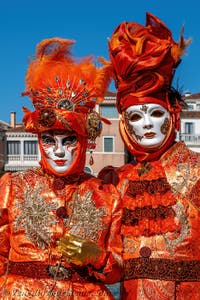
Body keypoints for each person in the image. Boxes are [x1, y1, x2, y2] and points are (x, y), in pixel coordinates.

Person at [0, 37, 123, 299]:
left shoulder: (107, 195)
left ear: (84, 141)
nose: (58, 150)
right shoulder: (12, 187)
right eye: (48, 140)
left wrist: (97, 257)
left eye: (68, 141)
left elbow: (118, 271)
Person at [98, 12, 200, 299]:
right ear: (125, 124)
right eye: (135, 116)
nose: (146, 124)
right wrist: (97, 256)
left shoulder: (197, 170)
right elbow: (115, 266)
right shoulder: (115, 182)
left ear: (173, 115)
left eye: (155, 113)